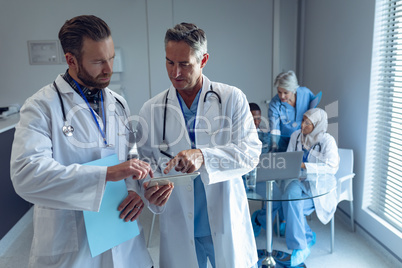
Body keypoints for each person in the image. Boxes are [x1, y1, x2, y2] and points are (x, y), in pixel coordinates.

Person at [10, 15, 171, 268]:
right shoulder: (41, 107)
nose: (109, 69)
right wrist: (105, 174)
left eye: (111, 58)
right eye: (98, 61)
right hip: (74, 248)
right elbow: (26, 176)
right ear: (71, 60)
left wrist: (139, 189)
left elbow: (129, 159)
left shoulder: (118, 103)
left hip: (123, 238)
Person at [135, 22, 262, 268]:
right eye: (169, 62)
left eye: (184, 64)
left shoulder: (231, 98)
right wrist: (149, 190)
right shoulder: (151, 109)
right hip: (180, 220)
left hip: (224, 218)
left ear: (203, 60)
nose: (175, 72)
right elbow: (147, 165)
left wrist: (204, 156)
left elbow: (251, 153)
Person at [274, 108, 339, 267]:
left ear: (317, 124)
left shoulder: (327, 141)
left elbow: (332, 167)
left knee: (291, 203)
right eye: (302, 120)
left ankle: (304, 240)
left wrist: (305, 165)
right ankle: (303, 241)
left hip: (316, 187)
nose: (302, 125)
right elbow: (290, 156)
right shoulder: (296, 135)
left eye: (307, 123)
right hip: (297, 180)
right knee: (289, 198)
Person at [268, 70, 315, 152]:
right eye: (279, 92)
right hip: (283, 143)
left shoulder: (306, 93)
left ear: (293, 90)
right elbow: (274, 128)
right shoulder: (274, 104)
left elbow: (314, 114)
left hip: (304, 140)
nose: (282, 96)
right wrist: (274, 144)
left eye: (286, 92)